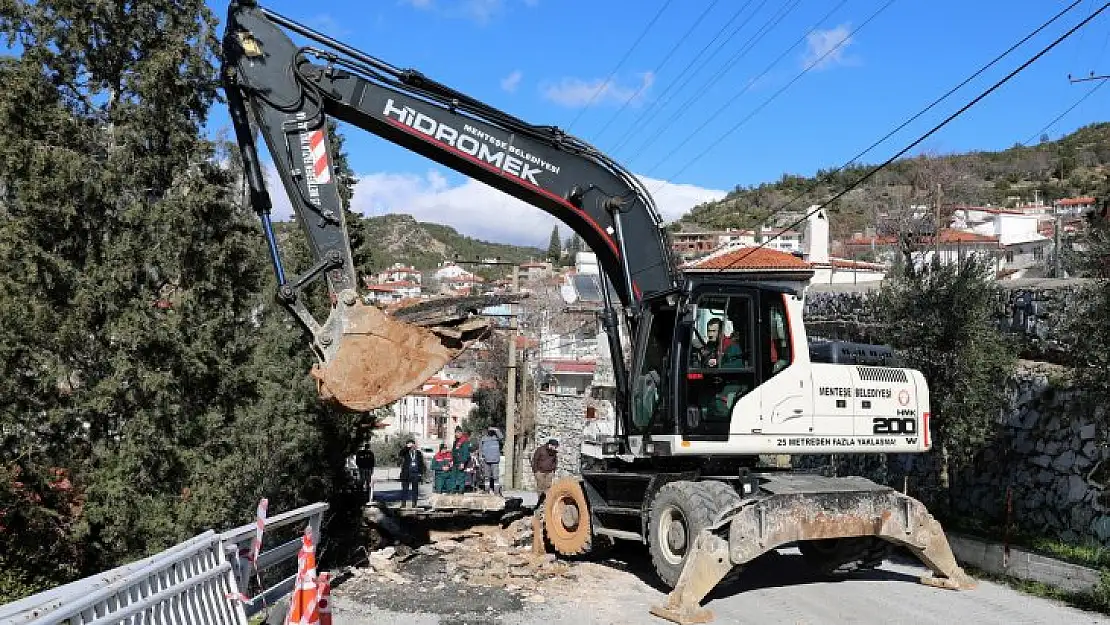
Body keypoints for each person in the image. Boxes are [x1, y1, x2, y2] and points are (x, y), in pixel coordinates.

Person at [398, 439, 425, 507]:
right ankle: (403, 503)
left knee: (415, 489)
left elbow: (421, 463)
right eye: (410, 444)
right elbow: (401, 453)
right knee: (405, 489)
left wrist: (421, 473)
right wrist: (407, 447)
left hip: (415, 473)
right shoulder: (405, 452)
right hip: (406, 473)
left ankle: (414, 503)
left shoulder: (418, 453)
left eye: (412, 444)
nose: (412, 446)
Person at [479, 427, 503, 494]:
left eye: (491, 431)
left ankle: (496, 491)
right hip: (486, 460)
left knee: (495, 477)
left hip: (495, 460)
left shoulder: (497, 437)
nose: (490, 432)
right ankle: (487, 490)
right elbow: (480, 449)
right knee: (486, 477)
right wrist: (480, 458)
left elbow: (501, 437)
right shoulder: (483, 438)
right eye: (489, 431)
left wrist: (496, 429)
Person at [449, 426, 472, 494]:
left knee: (461, 477)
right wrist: (451, 461)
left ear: (461, 433)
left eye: (458, 432)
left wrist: (463, 463)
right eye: (456, 433)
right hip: (455, 462)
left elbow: (465, 453)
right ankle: (452, 490)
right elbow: (453, 452)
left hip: (461, 462)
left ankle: (461, 491)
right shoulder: (456, 441)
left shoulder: (464, 441)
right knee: (453, 477)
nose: (457, 434)